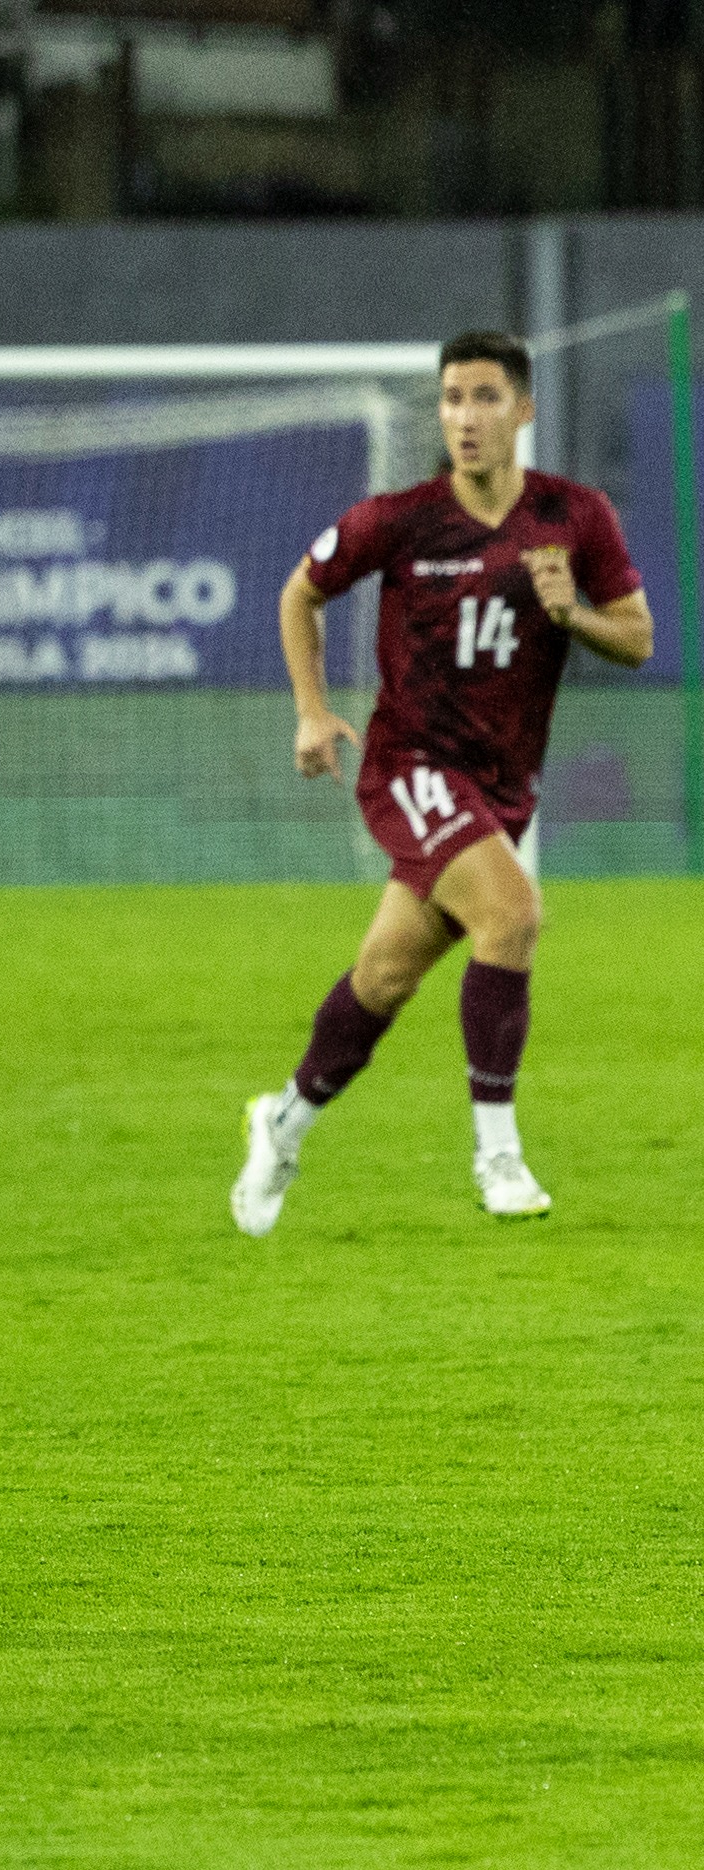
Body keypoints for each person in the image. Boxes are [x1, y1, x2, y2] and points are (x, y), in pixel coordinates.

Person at [232, 330, 652, 1233]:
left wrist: (567, 612)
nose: (464, 417)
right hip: (411, 767)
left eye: (484, 398)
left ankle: (284, 1120)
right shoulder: (400, 518)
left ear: (523, 410)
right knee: (512, 913)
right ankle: (497, 1155)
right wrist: (310, 712)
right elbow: (297, 592)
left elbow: (637, 637)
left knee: (383, 977)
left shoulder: (574, 518)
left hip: (501, 785)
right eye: (451, 398)